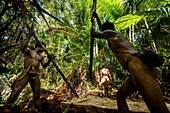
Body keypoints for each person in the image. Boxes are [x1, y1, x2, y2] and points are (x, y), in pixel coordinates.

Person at [91, 12, 169, 113]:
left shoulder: (111, 33)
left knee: (158, 108)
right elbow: (102, 28)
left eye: (103, 29)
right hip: (134, 67)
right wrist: (97, 19)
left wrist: (93, 22)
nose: (102, 30)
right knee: (120, 96)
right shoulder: (113, 35)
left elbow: (93, 33)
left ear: (106, 29)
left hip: (136, 64)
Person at [3, 30, 52, 112]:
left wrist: (49, 60)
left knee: (37, 95)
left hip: (35, 75)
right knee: (16, 91)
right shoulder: (29, 51)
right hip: (26, 73)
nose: (44, 49)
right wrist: (29, 35)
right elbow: (22, 48)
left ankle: (39, 110)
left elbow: (44, 66)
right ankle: (6, 108)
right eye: (43, 47)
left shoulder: (41, 57)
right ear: (39, 46)